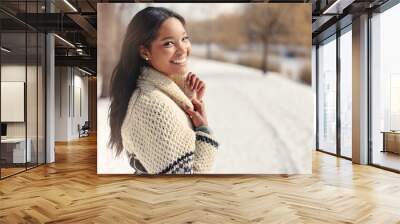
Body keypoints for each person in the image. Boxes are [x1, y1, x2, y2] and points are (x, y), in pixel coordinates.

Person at [108, 7, 219, 174]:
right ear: (145, 51)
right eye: (169, 43)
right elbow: (185, 187)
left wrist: (187, 99)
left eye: (184, 38)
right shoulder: (151, 104)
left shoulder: (156, 93)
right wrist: (204, 131)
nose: (183, 49)